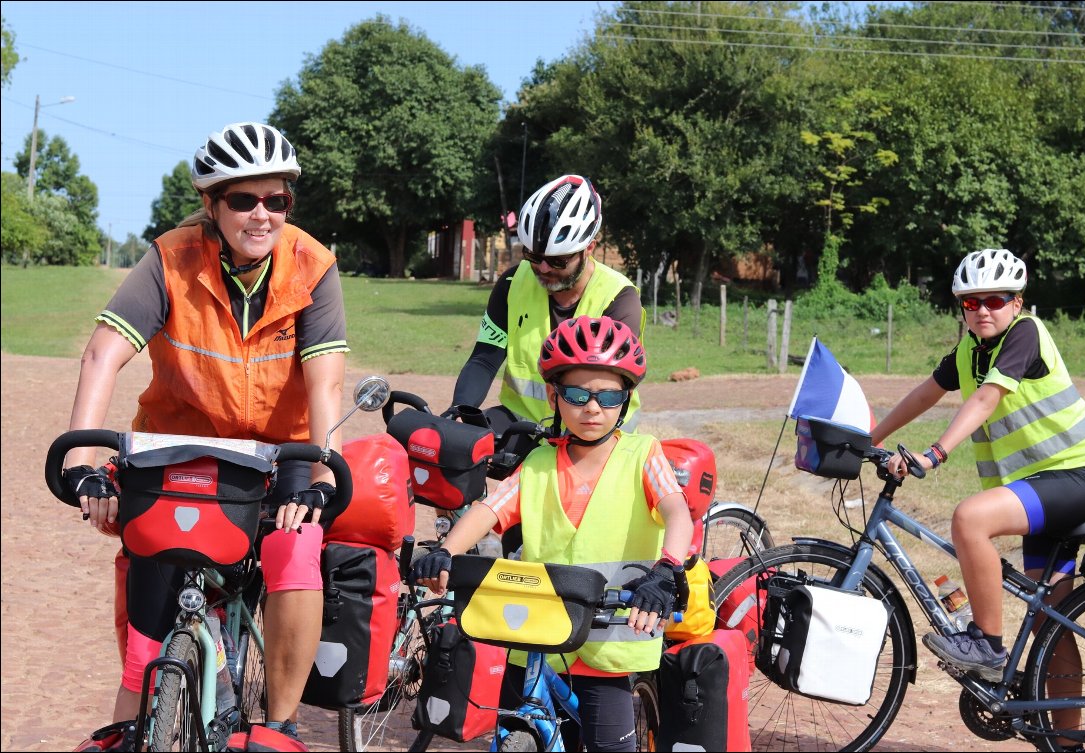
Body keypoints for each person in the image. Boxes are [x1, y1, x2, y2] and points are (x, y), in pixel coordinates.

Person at [64, 121, 349, 749]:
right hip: (178, 445)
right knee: (154, 567)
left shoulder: (312, 265)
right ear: (211, 205)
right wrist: (84, 459)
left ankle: (278, 724)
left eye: (276, 200)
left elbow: (326, 385)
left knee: (295, 548)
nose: (262, 215)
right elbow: (102, 356)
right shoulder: (170, 257)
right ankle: (140, 725)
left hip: (283, 450)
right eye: (243, 200)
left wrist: (323, 471)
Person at [414, 315, 693, 752]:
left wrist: (666, 569)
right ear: (553, 396)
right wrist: (447, 551)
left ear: (627, 398)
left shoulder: (643, 454)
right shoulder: (540, 462)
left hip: (610, 640)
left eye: (609, 396)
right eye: (577, 395)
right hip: (537, 635)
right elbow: (491, 509)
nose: (592, 408)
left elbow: (677, 512)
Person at [872, 248, 1085, 692]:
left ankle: (986, 645)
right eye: (971, 303)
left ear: (1017, 302)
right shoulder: (970, 349)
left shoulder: (1026, 334)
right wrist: (872, 435)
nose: (982, 310)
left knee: (970, 518)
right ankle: (1066, 740)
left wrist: (935, 453)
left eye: (995, 300)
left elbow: (986, 398)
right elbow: (925, 394)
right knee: (1049, 623)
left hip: (1080, 477)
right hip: (1043, 488)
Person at [448, 175, 644, 448]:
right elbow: (484, 360)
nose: (542, 268)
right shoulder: (512, 283)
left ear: (589, 247)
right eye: (533, 256)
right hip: (523, 421)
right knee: (458, 447)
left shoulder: (619, 298)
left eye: (557, 260)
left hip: (596, 423)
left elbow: (600, 389)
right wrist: (459, 411)